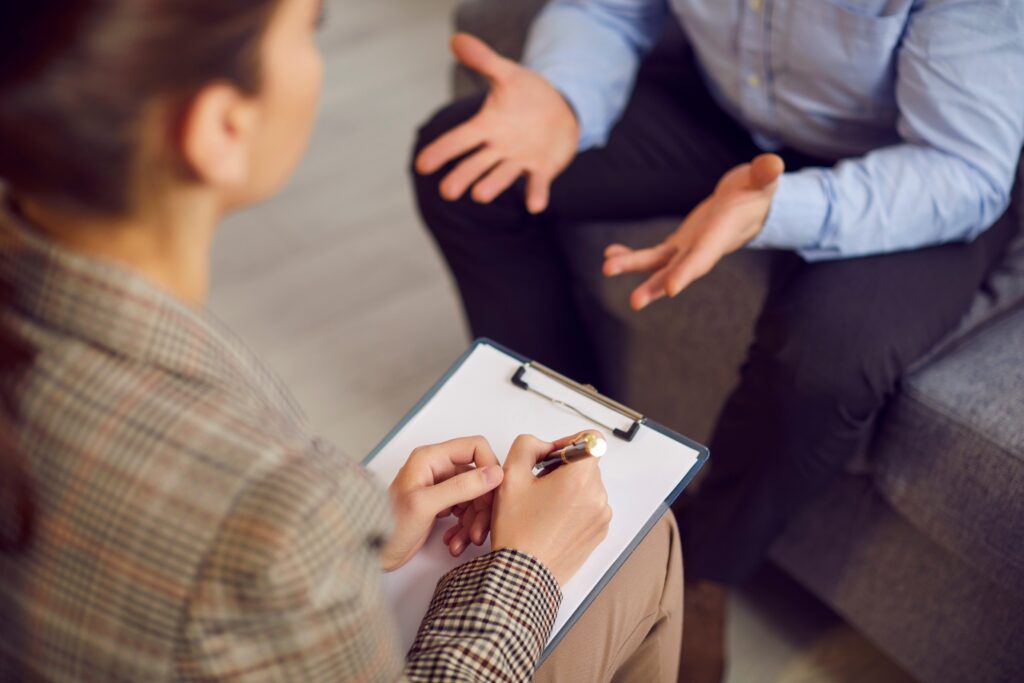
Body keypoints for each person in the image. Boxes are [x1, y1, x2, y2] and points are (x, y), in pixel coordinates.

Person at [0, 1, 684, 681]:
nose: (313, 62)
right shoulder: (268, 510)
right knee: (645, 537)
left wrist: (364, 530)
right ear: (220, 127)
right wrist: (522, 570)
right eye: (307, 32)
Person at [411, 1, 1024, 680]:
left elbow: (965, 167)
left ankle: (703, 570)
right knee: (463, 166)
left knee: (827, 359)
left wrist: (776, 208)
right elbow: (607, 9)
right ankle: (578, 464)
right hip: (729, 110)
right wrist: (566, 94)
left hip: (915, 160)